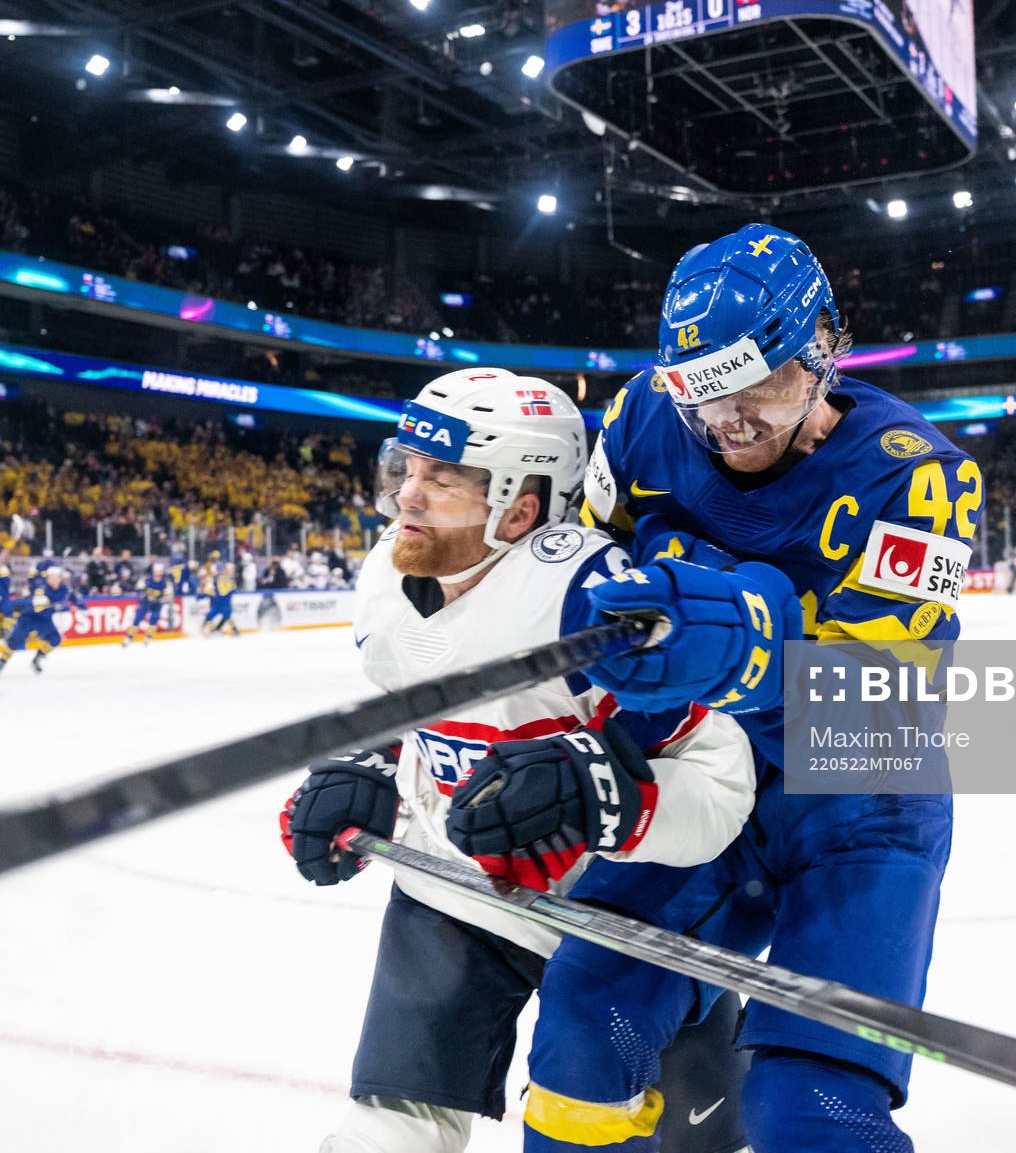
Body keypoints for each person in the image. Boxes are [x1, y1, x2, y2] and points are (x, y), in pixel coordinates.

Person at [494, 225, 979, 1152]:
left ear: (825, 350)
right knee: (582, 1030)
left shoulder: (924, 479)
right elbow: (567, 571)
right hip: (694, 774)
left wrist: (746, 640)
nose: (729, 421)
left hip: (858, 799)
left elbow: (892, 686)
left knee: (811, 1109)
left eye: (759, 384)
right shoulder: (639, 418)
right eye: (701, 390)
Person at [280, 368, 758, 1153]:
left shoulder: (590, 596)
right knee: (385, 1132)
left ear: (521, 506)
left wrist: (606, 796)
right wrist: (379, 765)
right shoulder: (386, 578)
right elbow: (434, 723)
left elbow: (721, 779)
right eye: (406, 467)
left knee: (682, 1138)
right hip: (457, 893)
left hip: (616, 914)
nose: (408, 496)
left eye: (444, 479)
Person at [0, 561, 80, 676]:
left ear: (60, 578)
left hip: (44, 620)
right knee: (14, 642)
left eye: (56, 578)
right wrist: (48, 604)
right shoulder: (41, 588)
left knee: (56, 639)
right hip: (29, 618)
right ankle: (1, 664)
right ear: (47, 578)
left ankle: (38, 658)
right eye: (51, 578)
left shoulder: (65, 589)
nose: (54, 580)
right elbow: (38, 605)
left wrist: (81, 605)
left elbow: (73, 598)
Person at [122, 561, 172, 646]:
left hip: (157, 605)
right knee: (137, 619)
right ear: (153, 571)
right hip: (145, 603)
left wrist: (161, 600)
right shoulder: (146, 579)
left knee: (154, 619)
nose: (157, 573)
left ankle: (148, 637)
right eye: (156, 571)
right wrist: (143, 595)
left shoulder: (166, 582)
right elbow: (138, 589)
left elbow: (168, 595)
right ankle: (129, 637)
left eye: (159, 571)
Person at [201, 562, 241, 637]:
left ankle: (211, 630)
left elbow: (209, 591)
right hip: (223, 603)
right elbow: (233, 589)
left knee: (212, 617)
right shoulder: (228, 580)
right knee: (225, 618)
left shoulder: (217, 580)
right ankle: (212, 630)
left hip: (221, 603)